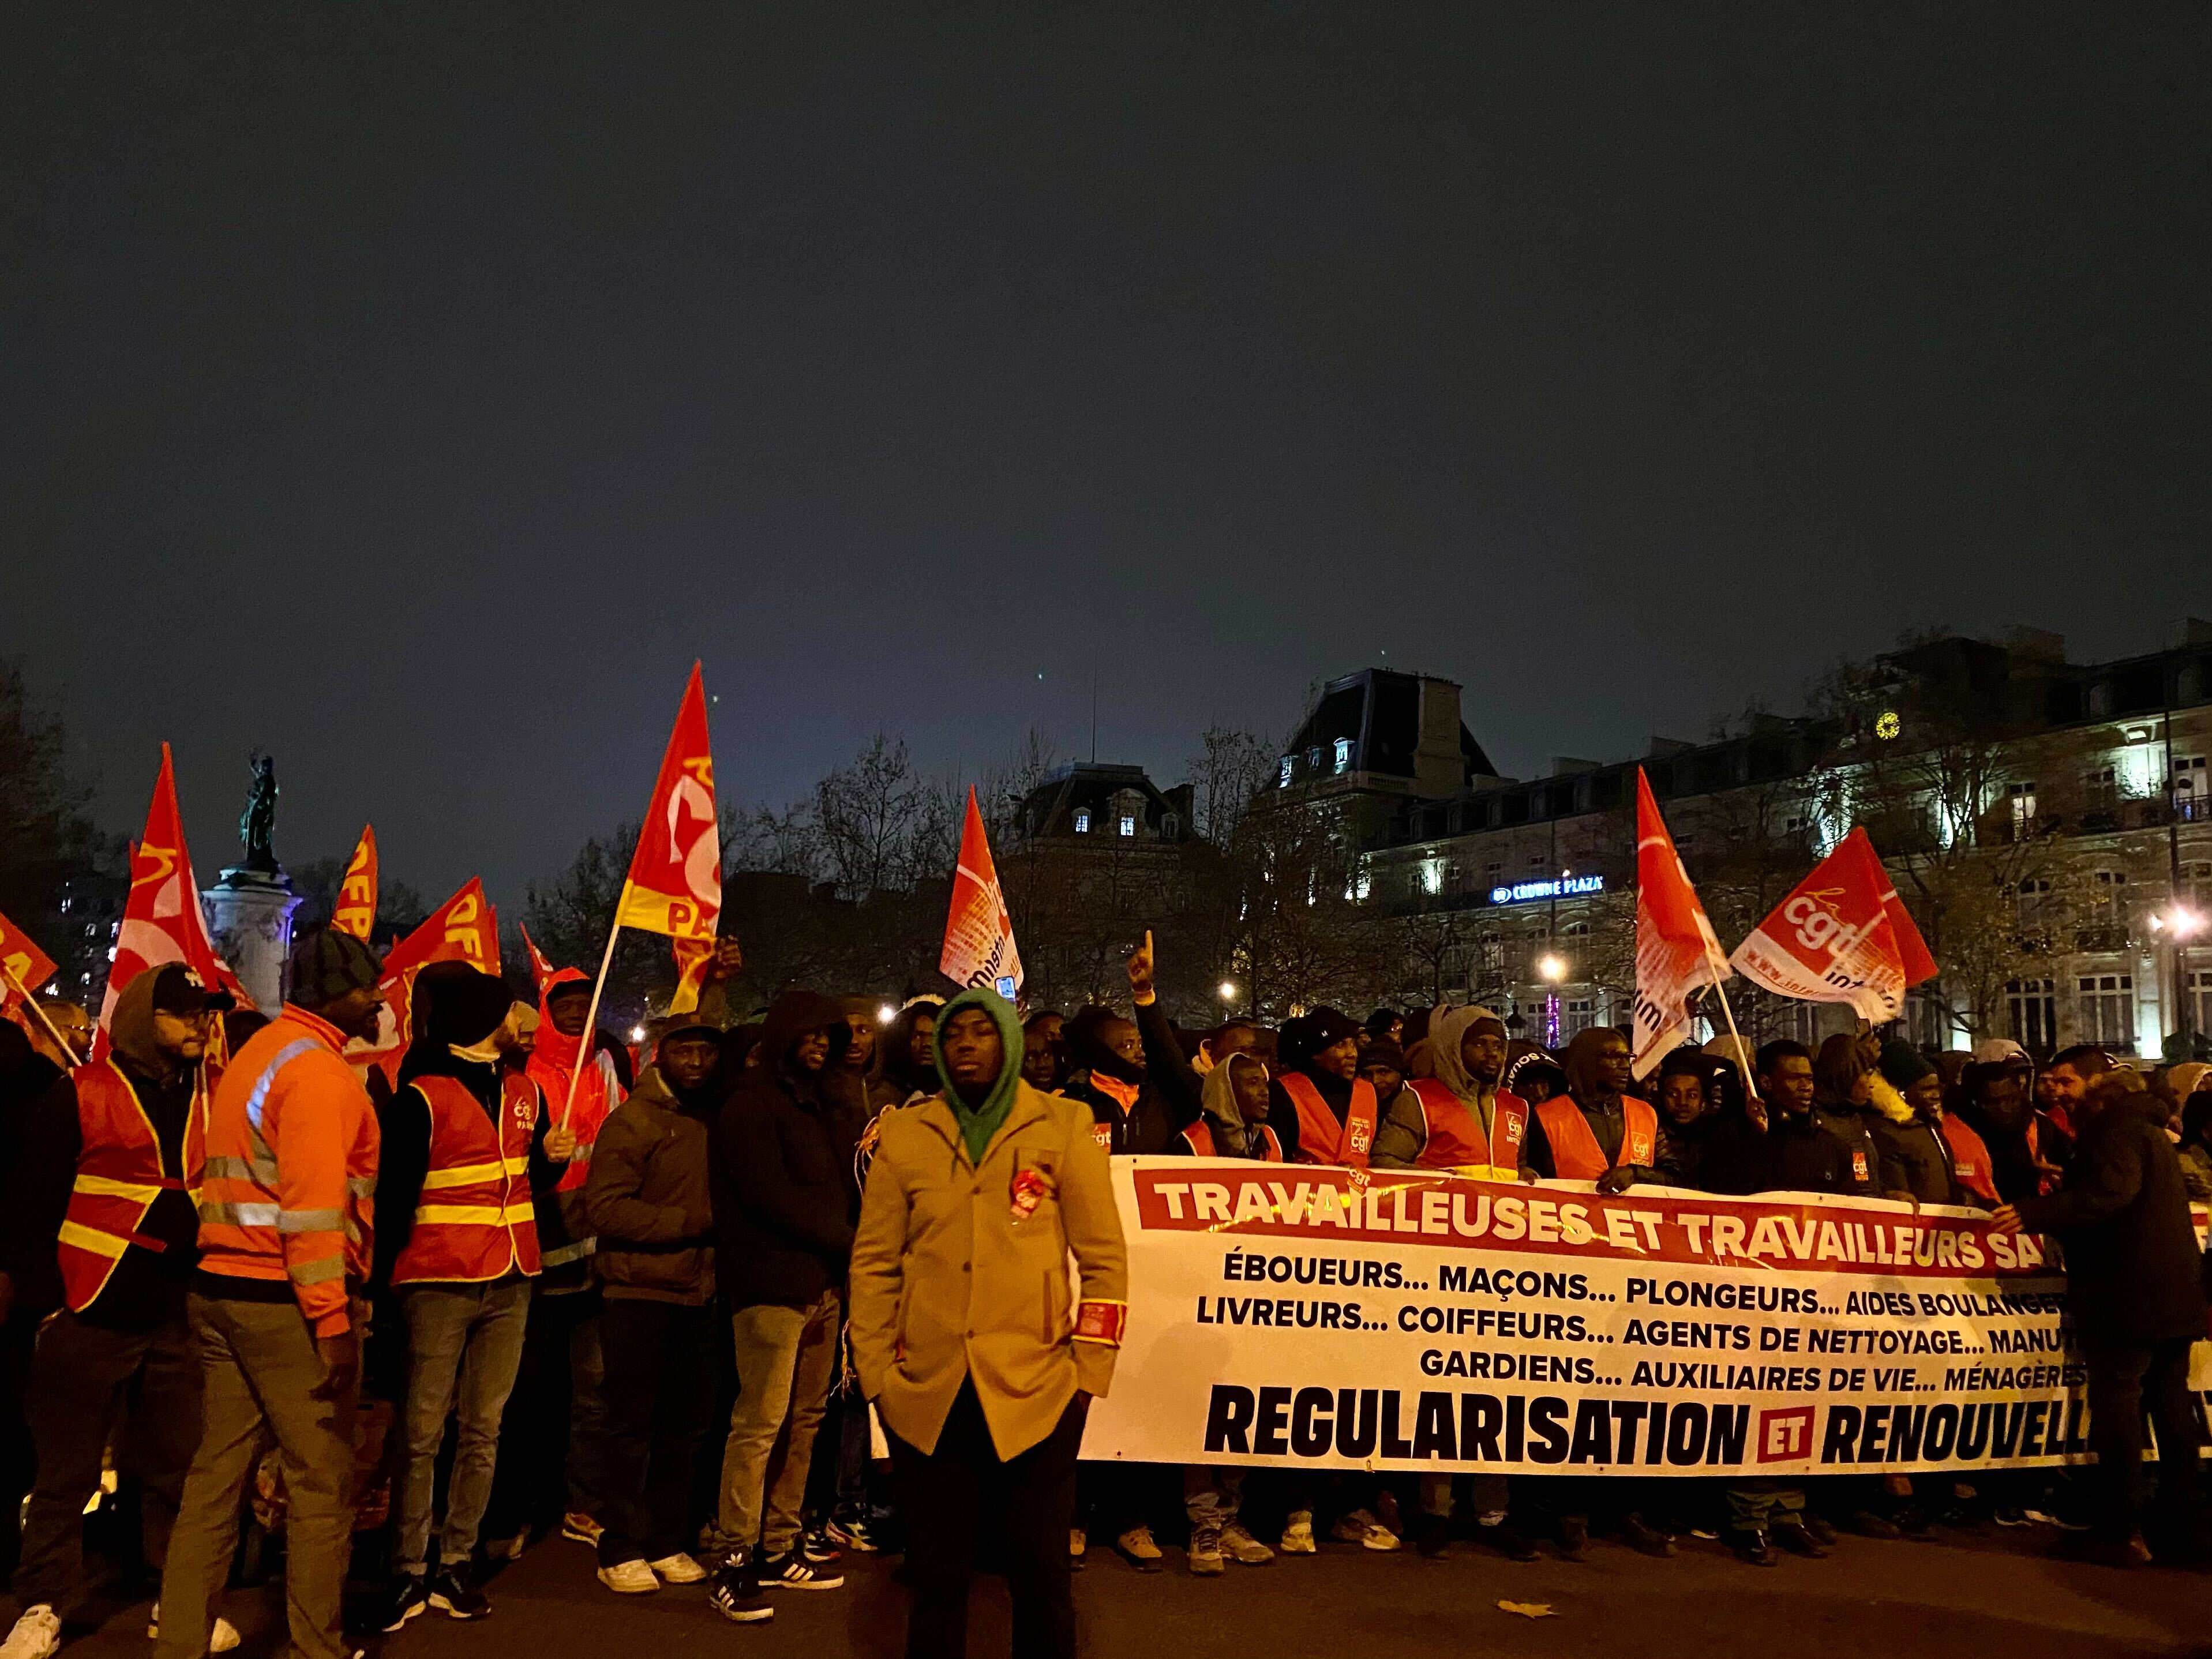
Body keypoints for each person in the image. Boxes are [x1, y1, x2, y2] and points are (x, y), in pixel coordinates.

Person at [847, 988, 1127, 1659]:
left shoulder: (1062, 1124)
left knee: (1040, 1575)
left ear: (1009, 1040)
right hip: (928, 1391)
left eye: (981, 1031)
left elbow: (1105, 1260)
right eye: (954, 1034)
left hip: (1039, 1389)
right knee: (938, 1576)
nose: (966, 1043)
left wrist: (1089, 1369)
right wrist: (878, 1372)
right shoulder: (908, 1132)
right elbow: (875, 1260)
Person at [152, 929, 383, 1659]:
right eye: (369, 987)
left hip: (220, 1289)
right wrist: (332, 1318)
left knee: (215, 1478)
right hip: (284, 1302)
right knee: (321, 1486)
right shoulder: (318, 1073)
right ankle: (317, 1648)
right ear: (335, 995)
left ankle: (180, 1642)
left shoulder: (258, 1053)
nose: (380, 999)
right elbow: (312, 1209)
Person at [0, 967, 234, 1659]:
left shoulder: (213, 1096)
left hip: (177, 1310)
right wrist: (49, 1308)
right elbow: (30, 1204)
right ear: (142, 1020)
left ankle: (178, 1597)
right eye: (184, 1013)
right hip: (90, 1310)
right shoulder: (81, 1092)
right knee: (64, 1473)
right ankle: (42, 1605)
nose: (200, 1024)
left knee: (177, 1464)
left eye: (204, 1013)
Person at [376, 971, 572, 1630]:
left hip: (513, 1274)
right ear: (480, 1016)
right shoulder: (420, 1098)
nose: (520, 1017)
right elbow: (394, 1198)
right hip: (438, 1279)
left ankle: (456, 1559)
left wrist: (551, 1160)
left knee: (483, 1428)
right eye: (505, 1006)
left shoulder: (525, 1090)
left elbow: (523, 1176)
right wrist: (383, 1289)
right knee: (424, 1432)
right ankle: (407, 1567)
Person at [1996, 1067, 2207, 1564]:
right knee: (2172, 1409)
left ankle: (2120, 1529)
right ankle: (2183, 1528)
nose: (2057, 1093)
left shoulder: (2113, 1131)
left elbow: (2112, 1194)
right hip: (2173, 1294)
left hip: (2127, 1295)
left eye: (2069, 1082)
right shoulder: (2146, 1129)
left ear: (2097, 1088)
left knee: (2120, 1410)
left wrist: (2039, 1213)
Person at [710, 992, 853, 1591]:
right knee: (760, 1423)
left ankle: (779, 1539)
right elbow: (767, 1194)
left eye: (828, 1036)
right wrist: (851, 1239)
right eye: (810, 1034)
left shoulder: (819, 1104)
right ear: (783, 1036)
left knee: (805, 1419)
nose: (819, 1044)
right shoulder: (750, 1104)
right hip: (770, 1286)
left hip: (820, 1284)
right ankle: (735, 1555)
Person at [586, 1019, 726, 1603]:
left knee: (684, 1428)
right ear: (660, 1055)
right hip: (639, 1293)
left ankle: (668, 1538)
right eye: (683, 1049)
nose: (696, 1060)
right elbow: (605, 1208)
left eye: (705, 1050)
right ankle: (619, 1543)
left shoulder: (708, 1117)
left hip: (699, 1293)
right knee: (630, 1426)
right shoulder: (633, 1122)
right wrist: (687, 1225)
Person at [498, 969, 627, 1553]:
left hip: (595, 1254)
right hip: (539, 1253)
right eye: (565, 1003)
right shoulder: (526, 1077)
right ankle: (521, 1505)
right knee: (529, 1390)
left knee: (593, 1390)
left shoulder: (606, 1068)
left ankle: (583, 1501)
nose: (576, 1012)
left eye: (584, 1002)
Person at [1171, 1052, 1279, 1575]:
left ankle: (1232, 1516)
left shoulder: (1274, 1144)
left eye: (1265, 1082)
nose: (1263, 1091)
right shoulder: (1191, 1142)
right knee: (1200, 1415)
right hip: (1201, 1296)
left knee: (1242, 1412)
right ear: (1222, 1091)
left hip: (1256, 1301)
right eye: (1250, 1083)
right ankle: (1203, 1525)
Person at [1379, 1008, 1528, 1181]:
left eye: (1498, 1045)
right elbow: (1385, 1163)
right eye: (1479, 1044)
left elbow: (1516, 1165)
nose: (1492, 1053)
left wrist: (1524, 1173)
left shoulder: (1516, 1107)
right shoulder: (1419, 1100)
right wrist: (1429, 1180)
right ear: (1455, 1048)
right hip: (1438, 1207)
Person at [1520, 1027, 1658, 1193]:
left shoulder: (1645, 1114)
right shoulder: (1546, 1116)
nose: (1625, 1066)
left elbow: (1676, 1174)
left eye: (1627, 1057)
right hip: (1569, 1216)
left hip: (1635, 1217)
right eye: (1615, 1057)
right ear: (1587, 1061)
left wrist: (1635, 1174)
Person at [1870, 1041, 1996, 1209]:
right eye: (1926, 1089)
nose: (1936, 1096)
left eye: (1937, 1088)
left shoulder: (1929, 1127)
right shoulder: (1889, 1133)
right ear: (1900, 1091)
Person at [1958, 1057, 2069, 1203]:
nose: (2004, 1108)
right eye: (1993, 1102)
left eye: (2011, 1100)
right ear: (1977, 1103)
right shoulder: (1961, 1133)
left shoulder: (2041, 1127)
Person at [1809, 1033, 1889, 1198]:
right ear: (1844, 1075)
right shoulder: (1814, 1123)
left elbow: (1864, 1177)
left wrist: (1886, 1194)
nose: (1871, 1083)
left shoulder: (1855, 1117)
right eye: (1866, 1074)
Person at [1651, 1048, 1716, 1189]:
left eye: (1691, 1095)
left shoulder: (1717, 1139)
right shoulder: (1648, 1135)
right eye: (1673, 1094)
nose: (1682, 1103)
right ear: (1661, 1098)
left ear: (1703, 1102)